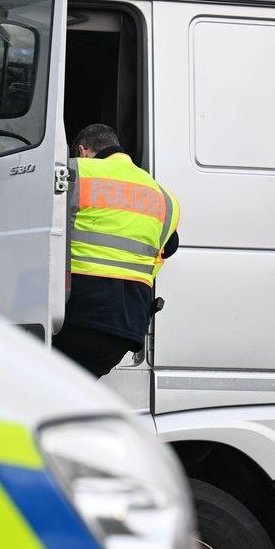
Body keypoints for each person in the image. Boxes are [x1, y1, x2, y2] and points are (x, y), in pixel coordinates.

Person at [54, 124, 180, 378]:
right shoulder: (165, 197)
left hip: (75, 314)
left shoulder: (75, 171)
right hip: (124, 327)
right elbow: (168, 248)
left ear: (83, 150)